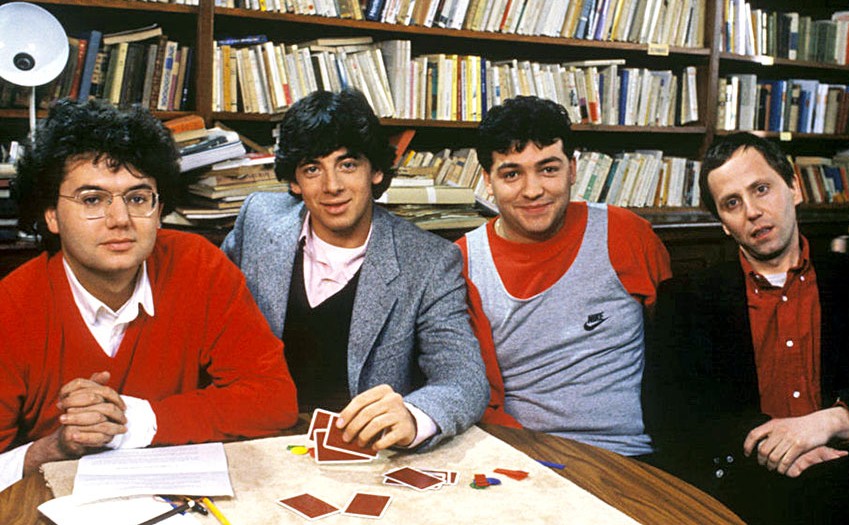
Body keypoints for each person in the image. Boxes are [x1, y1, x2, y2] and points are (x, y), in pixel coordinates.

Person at [0, 99, 298, 493]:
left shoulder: (199, 266)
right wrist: (55, 446)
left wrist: (135, 420)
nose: (120, 219)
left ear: (159, 210)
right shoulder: (11, 307)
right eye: (92, 199)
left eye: (138, 198)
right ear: (51, 214)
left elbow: (274, 400)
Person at [644, 132, 849, 524]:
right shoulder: (687, 299)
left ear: (795, 188)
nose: (752, 211)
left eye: (761, 189)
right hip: (745, 492)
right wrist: (772, 443)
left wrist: (836, 420)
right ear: (724, 224)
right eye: (732, 203)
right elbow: (670, 420)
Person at [222, 89, 488, 452]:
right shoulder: (258, 220)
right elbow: (205, 318)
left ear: (375, 170)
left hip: (361, 453)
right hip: (255, 438)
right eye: (312, 169)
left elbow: (464, 379)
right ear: (295, 181)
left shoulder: (428, 262)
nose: (332, 186)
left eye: (347, 165)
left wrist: (413, 417)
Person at [457, 96, 672, 457]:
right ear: (487, 181)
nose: (532, 190)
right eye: (511, 174)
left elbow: (676, 356)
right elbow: (481, 400)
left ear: (572, 170)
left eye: (548, 169)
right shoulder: (464, 262)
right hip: (522, 456)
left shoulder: (628, 235)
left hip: (627, 455)